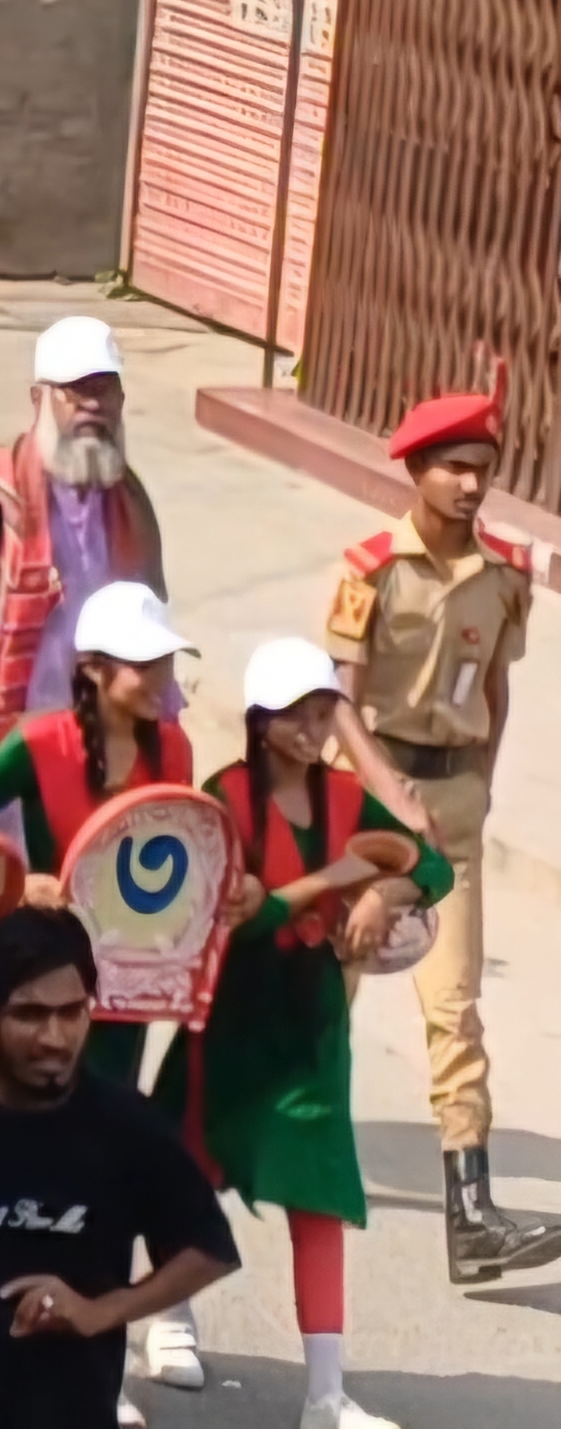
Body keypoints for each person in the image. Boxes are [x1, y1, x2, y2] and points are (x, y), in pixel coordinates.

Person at [152, 638, 450, 1429]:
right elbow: (228, 920)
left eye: (324, 712)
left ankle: (326, 1394)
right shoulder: (223, 797)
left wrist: (386, 893)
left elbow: (434, 867)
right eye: (297, 716)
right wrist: (303, 896)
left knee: (319, 1194)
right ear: (260, 720)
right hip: (234, 1017)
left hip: (313, 1024)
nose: (314, 729)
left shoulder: (350, 799)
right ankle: (169, 1320)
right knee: (192, 1168)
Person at [322, 390, 561, 1281]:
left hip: (453, 807)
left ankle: (471, 1215)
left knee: (455, 1010)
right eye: (454, 468)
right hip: (376, 811)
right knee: (330, 991)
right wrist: (388, 792)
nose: (470, 485)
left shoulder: (504, 577)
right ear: (415, 470)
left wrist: (482, 788)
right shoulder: (372, 567)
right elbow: (338, 699)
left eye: (483, 471)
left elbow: (496, 693)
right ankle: (296, 1153)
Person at [0, 906, 241, 1429]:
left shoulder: (127, 1126)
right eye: (30, 1015)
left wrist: (103, 1310)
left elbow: (210, 1251)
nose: (54, 1038)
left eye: (72, 1012)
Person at [0, 575, 197, 1096]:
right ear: (93, 668)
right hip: (49, 967)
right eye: (144, 665)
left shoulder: (175, 747)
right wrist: (16, 886)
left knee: (109, 1107)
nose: (161, 678)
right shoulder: (41, 742)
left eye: (166, 662)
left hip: (132, 969)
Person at [0, 315, 165, 740]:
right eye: (77, 391)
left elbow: (153, 621)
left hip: (101, 730)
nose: (94, 405)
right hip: (7, 729)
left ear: (121, 399)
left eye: (104, 389)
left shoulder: (132, 502)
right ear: (39, 399)